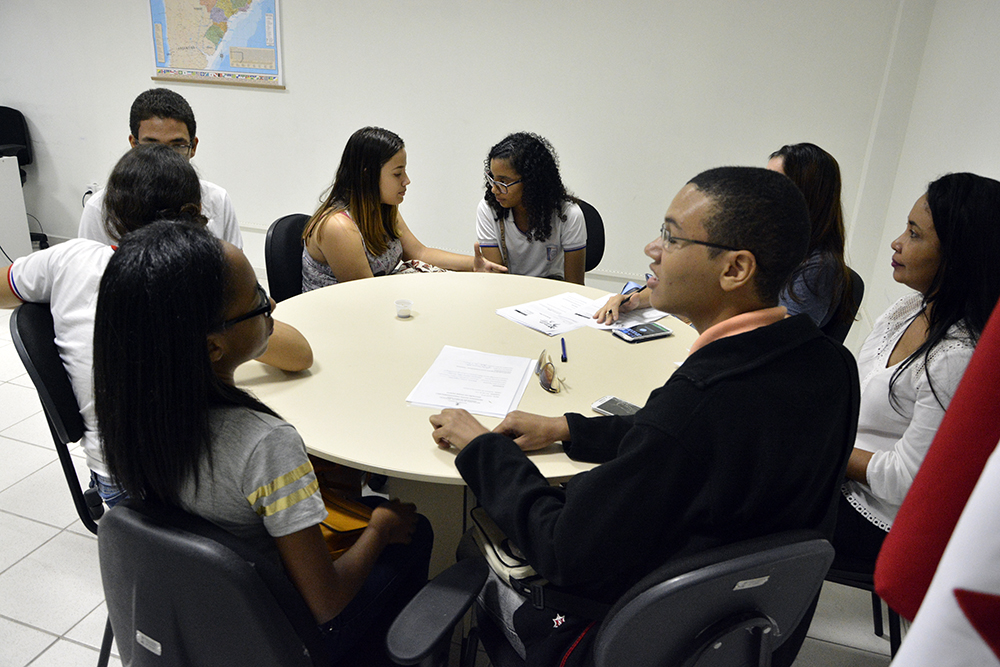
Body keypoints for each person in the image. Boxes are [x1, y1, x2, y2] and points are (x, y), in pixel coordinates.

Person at [429, 167, 860, 666]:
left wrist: (483, 448)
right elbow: (692, 442)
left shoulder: (696, 402)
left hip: (632, 638)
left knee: (472, 548)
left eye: (671, 237)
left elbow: (563, 547)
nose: (652, 249)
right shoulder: (832, 366)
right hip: (746, 631)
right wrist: (568, 428)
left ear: (736, 269)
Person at [93, 221, 432, 666]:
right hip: (282, 639)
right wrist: (381, 528)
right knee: (413, 530)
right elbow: (327, 602)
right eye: (257, 300)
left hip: (201, 618)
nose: (271, 305)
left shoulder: (130, 412)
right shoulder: (265, 445)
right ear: (213, 348)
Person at [2, 144, 311, 507]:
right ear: (197, 211)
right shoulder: (202, 279)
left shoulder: (68, 259)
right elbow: (299, 356)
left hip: (115, 478)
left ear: (110, 216)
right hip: (183, 486)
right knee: (296, 460)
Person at [833, 172, 1000, 571]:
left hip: (879, 516)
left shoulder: (955, 357)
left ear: (958, 256)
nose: (897, 242)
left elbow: (906, 481)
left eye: (914, 234)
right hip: (841, 477)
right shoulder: (908, 308)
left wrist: (824, 449)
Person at [595, 143, 852, 327]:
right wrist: (635, 300)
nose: (762, 192)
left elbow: (774, 333)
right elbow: (689, 281)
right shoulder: (761, 237)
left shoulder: (819, 267)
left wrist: (694, 312)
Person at [302, 126, 505, 290]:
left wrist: (474, 264)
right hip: (342, 317)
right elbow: (366, 296)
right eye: (397, 174)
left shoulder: (382, 208)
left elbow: (420, 253)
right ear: (367, 175)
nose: (406, 180)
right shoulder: (337, 227)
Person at [78, 87, 243, 248]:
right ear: (134, 144)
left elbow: (232, 263)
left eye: (177, 146)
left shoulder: (217, 200)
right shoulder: (100, 209)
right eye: (152, 145)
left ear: (193, 147)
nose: (164, 158)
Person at [476, 133, 587, 284]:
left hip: (553, 289)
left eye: (503, 182)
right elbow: (497, 279)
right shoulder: (489, 209)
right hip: (507, 289)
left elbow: (575, 286)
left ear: (532, 182)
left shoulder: (569, 214)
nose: (494, 189)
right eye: (492, 179)